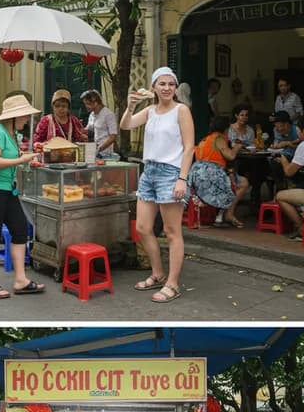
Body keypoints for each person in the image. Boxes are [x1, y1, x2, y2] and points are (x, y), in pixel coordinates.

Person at [121, 67, 195, 304]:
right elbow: (126, 125)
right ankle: (158, 273)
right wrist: (130, 106)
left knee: (172, 232)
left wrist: (182, 179)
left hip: (171, 173)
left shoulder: (181, 110)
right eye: (162, 84)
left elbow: (189, 147)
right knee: (143, 228)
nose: (167, 88)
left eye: (171, 84)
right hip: (149, 171)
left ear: (175, 88)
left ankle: (172, 284)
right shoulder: (150, 111)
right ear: (153, 87)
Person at [0, 95, 44, 300]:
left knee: (20, 229)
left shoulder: (13, 134)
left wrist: (26, 159)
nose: (27, 119)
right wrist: (21, 160)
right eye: (24, 115)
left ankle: (20, 280)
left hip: (7, 189)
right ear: (13, 117)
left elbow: (11, 158)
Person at [193, 115, 248, 228]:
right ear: (225, 128)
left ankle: (221, 213)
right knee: (243, 183)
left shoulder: (204, 139)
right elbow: (230, 156)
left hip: (199, 177)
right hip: (212, 177)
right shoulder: (218, 139)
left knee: (232, 177)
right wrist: (237, 147)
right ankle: (228, 213)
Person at [274, 117, 304, 236]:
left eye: (298, 131)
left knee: (280, 196)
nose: (298, 134)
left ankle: (302, 229)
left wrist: (283, 160)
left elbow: (289, 172)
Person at [81, 89, 118, 159]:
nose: (86, 106)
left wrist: (100, 149)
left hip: (106, 154)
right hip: (94, 152)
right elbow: (88, 130)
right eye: (85, 104)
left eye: (88, 104)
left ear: (95, 102)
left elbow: (113, 137)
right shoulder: (92, 114)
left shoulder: (108, 115)